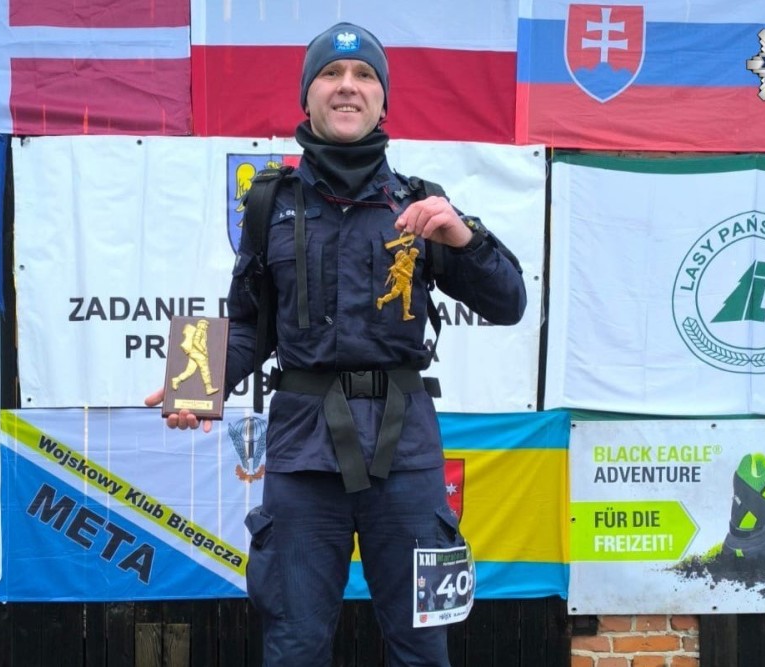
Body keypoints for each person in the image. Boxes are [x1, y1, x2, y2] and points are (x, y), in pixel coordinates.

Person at [146, 21, 526, 667]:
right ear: (308, 95)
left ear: (383, 100)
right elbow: (250, 323)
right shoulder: (268, 204)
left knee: (422, 647)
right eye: (330, 74)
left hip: (406, 454)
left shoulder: (424, 205)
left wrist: (465, 240)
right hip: (302, 454)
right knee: (294, 646)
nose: (347, 86)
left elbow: (509, 303)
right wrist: (197, 382)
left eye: (364, 76)